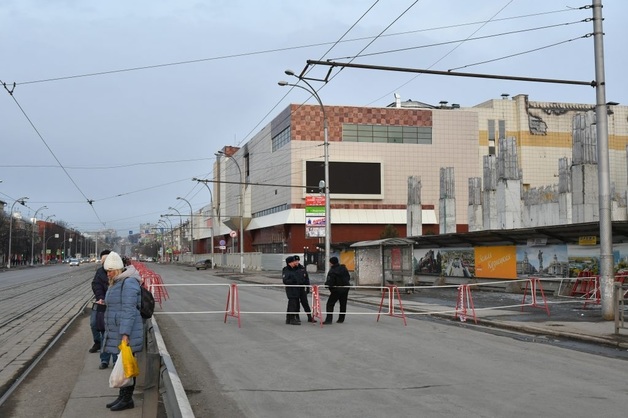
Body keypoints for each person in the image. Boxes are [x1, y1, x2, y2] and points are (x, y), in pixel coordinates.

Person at [102, 251, 144, 411]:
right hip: (120, 330)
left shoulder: (128, 283)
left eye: (110, 270)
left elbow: (129, 310)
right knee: (124, 364)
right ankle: (123, 396)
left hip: (128, 332)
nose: (108, 274)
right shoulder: (118, 282)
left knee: (127, 364)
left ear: (118, 269)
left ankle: (127, 399)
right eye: (107, 271)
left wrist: (125, 334)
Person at [89, 249, 113, 371]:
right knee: (95, 325)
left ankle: (113, 360)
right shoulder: (100, 272)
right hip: (102, 303)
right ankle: (103, 358)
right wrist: (101, 298)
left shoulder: (117, 271)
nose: (105, 263)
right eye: (103, 260)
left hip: (114, 305)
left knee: (112, 334)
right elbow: (96, 285)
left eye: (107, 260)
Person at [323, 256, 351, 325]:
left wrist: (327, 285)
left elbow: (331, 281)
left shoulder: (332, 271)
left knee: (330, 304)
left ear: (331, 263)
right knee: (343, 304)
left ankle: (329, 320)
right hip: (345, 288)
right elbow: (348, 277)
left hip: (336, 289)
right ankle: (341, 319)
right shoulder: (343, 268)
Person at [294, 255, 316, 323]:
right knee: (296, 303)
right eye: (295, 261)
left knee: (305, 302)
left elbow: (306, 279)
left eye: (297, 260)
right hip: (295, 288)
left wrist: (308, 287)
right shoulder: (292, 268)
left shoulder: (302, 268)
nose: (297, 262)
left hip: (302, 288)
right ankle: (297, 317)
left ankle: (309, 317)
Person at [282, 256, 301, 325]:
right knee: (292, 304)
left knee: (293, 304)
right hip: (291, 289)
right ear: (289, 263)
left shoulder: (295, 269)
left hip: (296, 289)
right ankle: (292, 319)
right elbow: (285, 280)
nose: (294, 263)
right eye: (293, 262)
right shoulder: (286, 270)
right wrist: (293, 281)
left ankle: (289, 318)